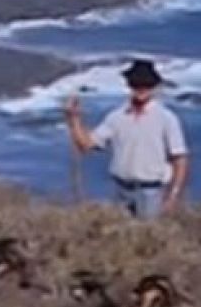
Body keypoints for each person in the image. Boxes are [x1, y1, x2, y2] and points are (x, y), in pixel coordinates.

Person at [64, 59, 190, 218]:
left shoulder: (166, 118)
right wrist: (74, 120)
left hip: (151, 192)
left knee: (147, 238)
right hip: (122, 190)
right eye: (136, 84)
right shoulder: (116, 117)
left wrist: (173, 195)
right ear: (129, 85)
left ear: (154, 88)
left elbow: (180, 159)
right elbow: (86, 145)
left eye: (146, 85)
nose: (141, 89)